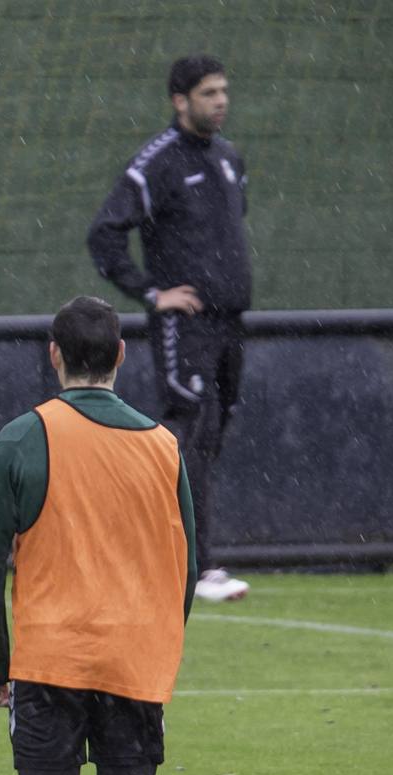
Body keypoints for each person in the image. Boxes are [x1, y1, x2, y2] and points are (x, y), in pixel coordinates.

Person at [0, 296, 196, 775]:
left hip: (51, 659)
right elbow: (187, 567)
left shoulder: (23, 436)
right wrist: (157, 650)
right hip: (133, 658)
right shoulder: (163, 445)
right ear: (122, 355)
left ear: (54, 357)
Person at [86, 54, 250, 603]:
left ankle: (155, 543)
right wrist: (155, 294)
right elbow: (105, 234)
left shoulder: (228, 158)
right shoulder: (156, 163)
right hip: (187, 328)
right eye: (209, 93)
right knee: (188, 432)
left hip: (230, 324)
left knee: (212, 434)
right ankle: (197, 567)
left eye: (224, 91)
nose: (220, 100)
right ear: (180, 101)